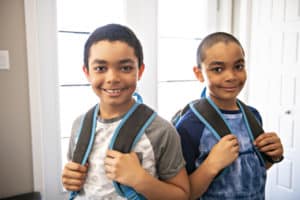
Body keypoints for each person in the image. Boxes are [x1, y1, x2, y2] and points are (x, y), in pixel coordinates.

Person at [61, 23, 190, 200]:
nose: (113, 78)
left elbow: (182, 195)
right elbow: (77, 180)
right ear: (87, 72)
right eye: (100, 68)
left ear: (140, 70)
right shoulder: (80, 125)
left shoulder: (161, 131)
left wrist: (140, 180)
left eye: (125, 68)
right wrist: (70, 179)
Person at [175, 32, 284, 200]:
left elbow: (251, 171)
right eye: (218, 69)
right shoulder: (189, 126)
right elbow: (182, 195)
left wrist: (272, 156)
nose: (231, 77)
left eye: (238, 67)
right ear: (198, 74)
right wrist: (211, 165)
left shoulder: (253, 116)